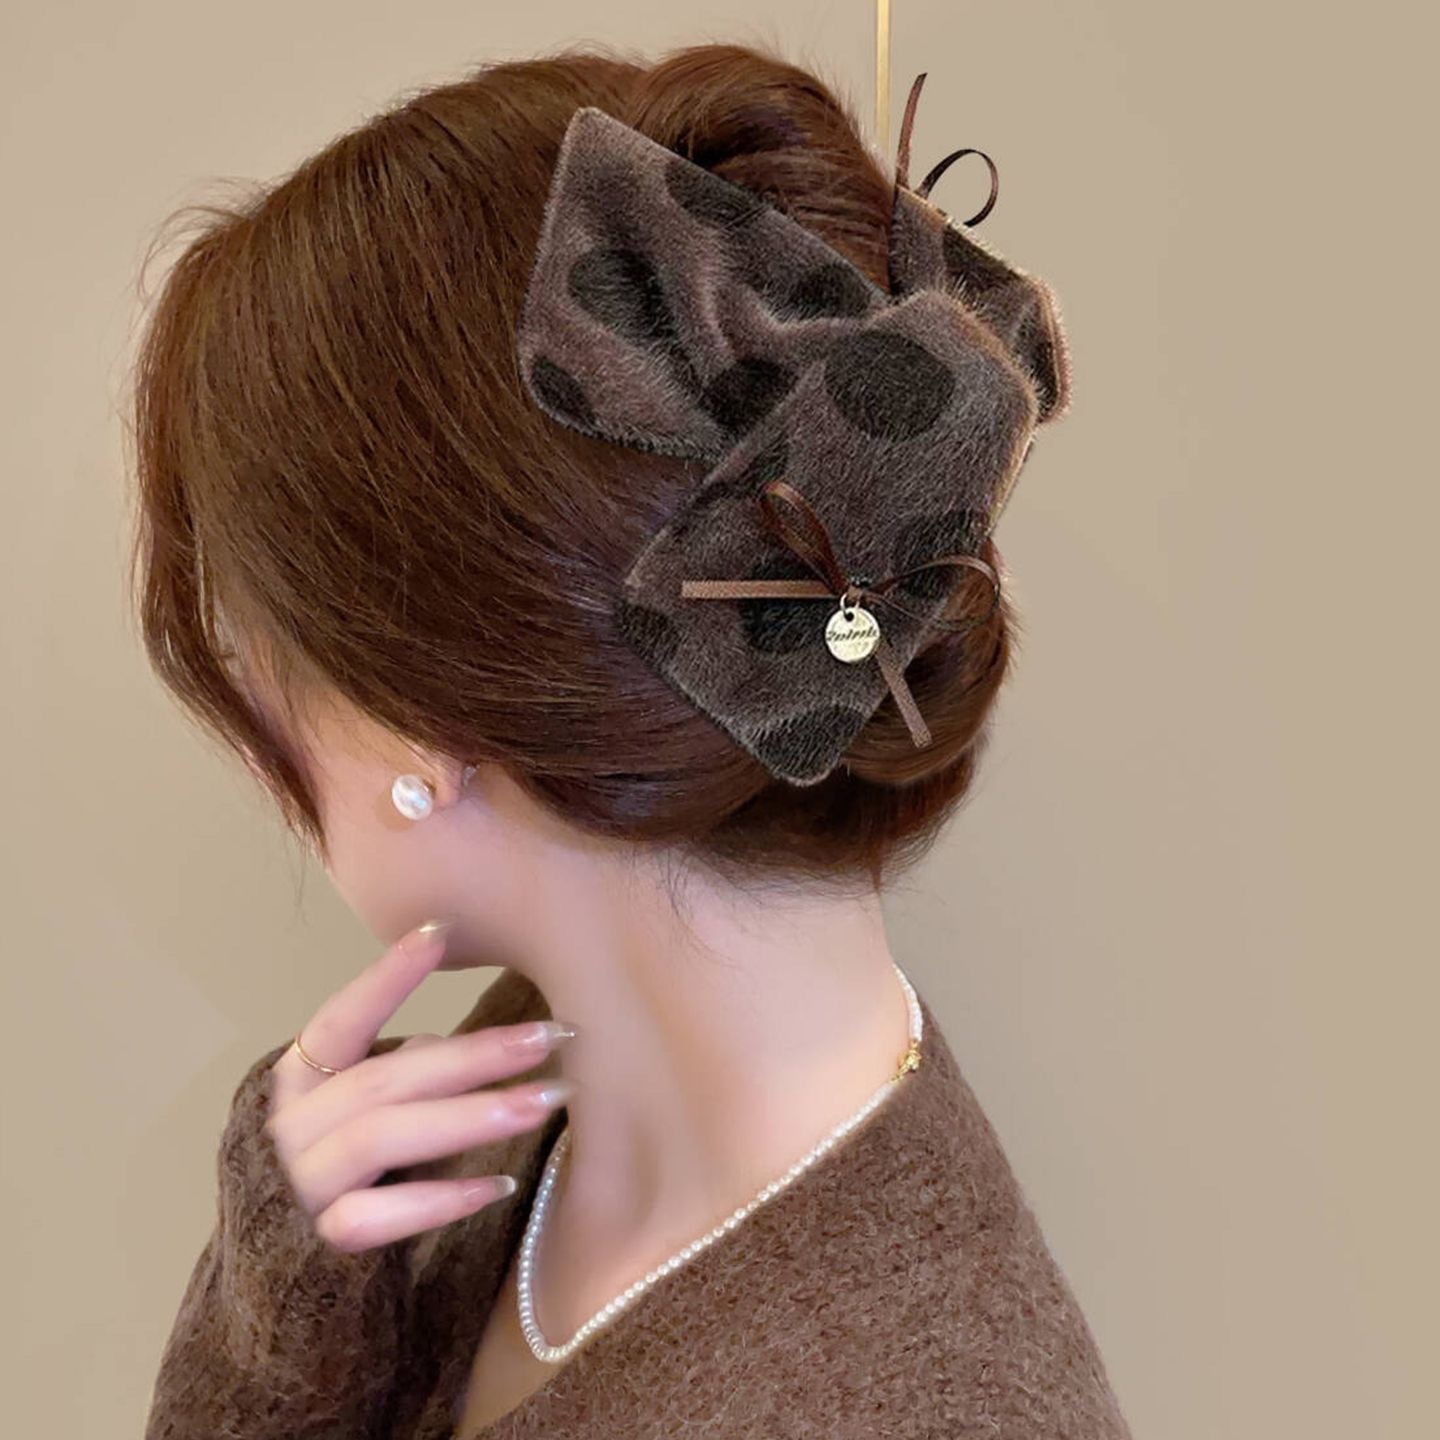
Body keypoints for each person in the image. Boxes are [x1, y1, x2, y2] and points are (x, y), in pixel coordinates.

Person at [131, 39, 1132, 1440]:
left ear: (423, 717)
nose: (251, 735)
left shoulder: (934, 1407)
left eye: (257, 652)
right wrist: (297, 1304)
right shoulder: (531, 1073)